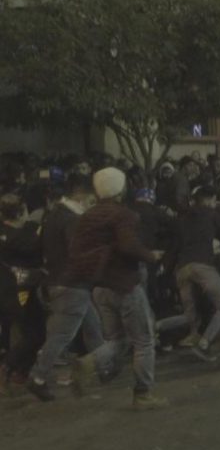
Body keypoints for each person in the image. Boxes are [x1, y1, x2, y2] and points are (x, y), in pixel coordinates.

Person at [66, 167, 167, 410]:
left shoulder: (88, 216)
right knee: (144, 341)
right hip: (124, 284)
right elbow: (128, 247)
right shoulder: (123, 215)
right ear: (121, 189)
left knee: (116, 339)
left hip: (99, 286)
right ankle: (143, 394)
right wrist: (151, 256)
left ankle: (90, 361)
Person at [27, 173, 115, 402]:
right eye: (91, 201)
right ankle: (38, 377)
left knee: (93, 326)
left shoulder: (51, 216)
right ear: (81, 196)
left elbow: (38, 249)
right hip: (72, 285)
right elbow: (79, 253)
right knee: (61, 336)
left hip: (59, 282)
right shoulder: (73, 220)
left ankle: (105, 368)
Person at [155, 186, 220, 362]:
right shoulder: (211, 214)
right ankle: (204, 344)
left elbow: (174, 248)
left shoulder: (182, 219)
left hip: (183, 269)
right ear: (210, 199)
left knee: (189, 316)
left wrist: (165, 268)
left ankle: (154, 327)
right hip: (203, 266)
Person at [0, 193, 45, 394]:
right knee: (36, 332)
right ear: (21, 211)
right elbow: (38, 252)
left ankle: (19, 370)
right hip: (21, 290)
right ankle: (10, 366)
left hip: (8, 289)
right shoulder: (24, 236)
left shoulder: (5, 232)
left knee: (19, 332)